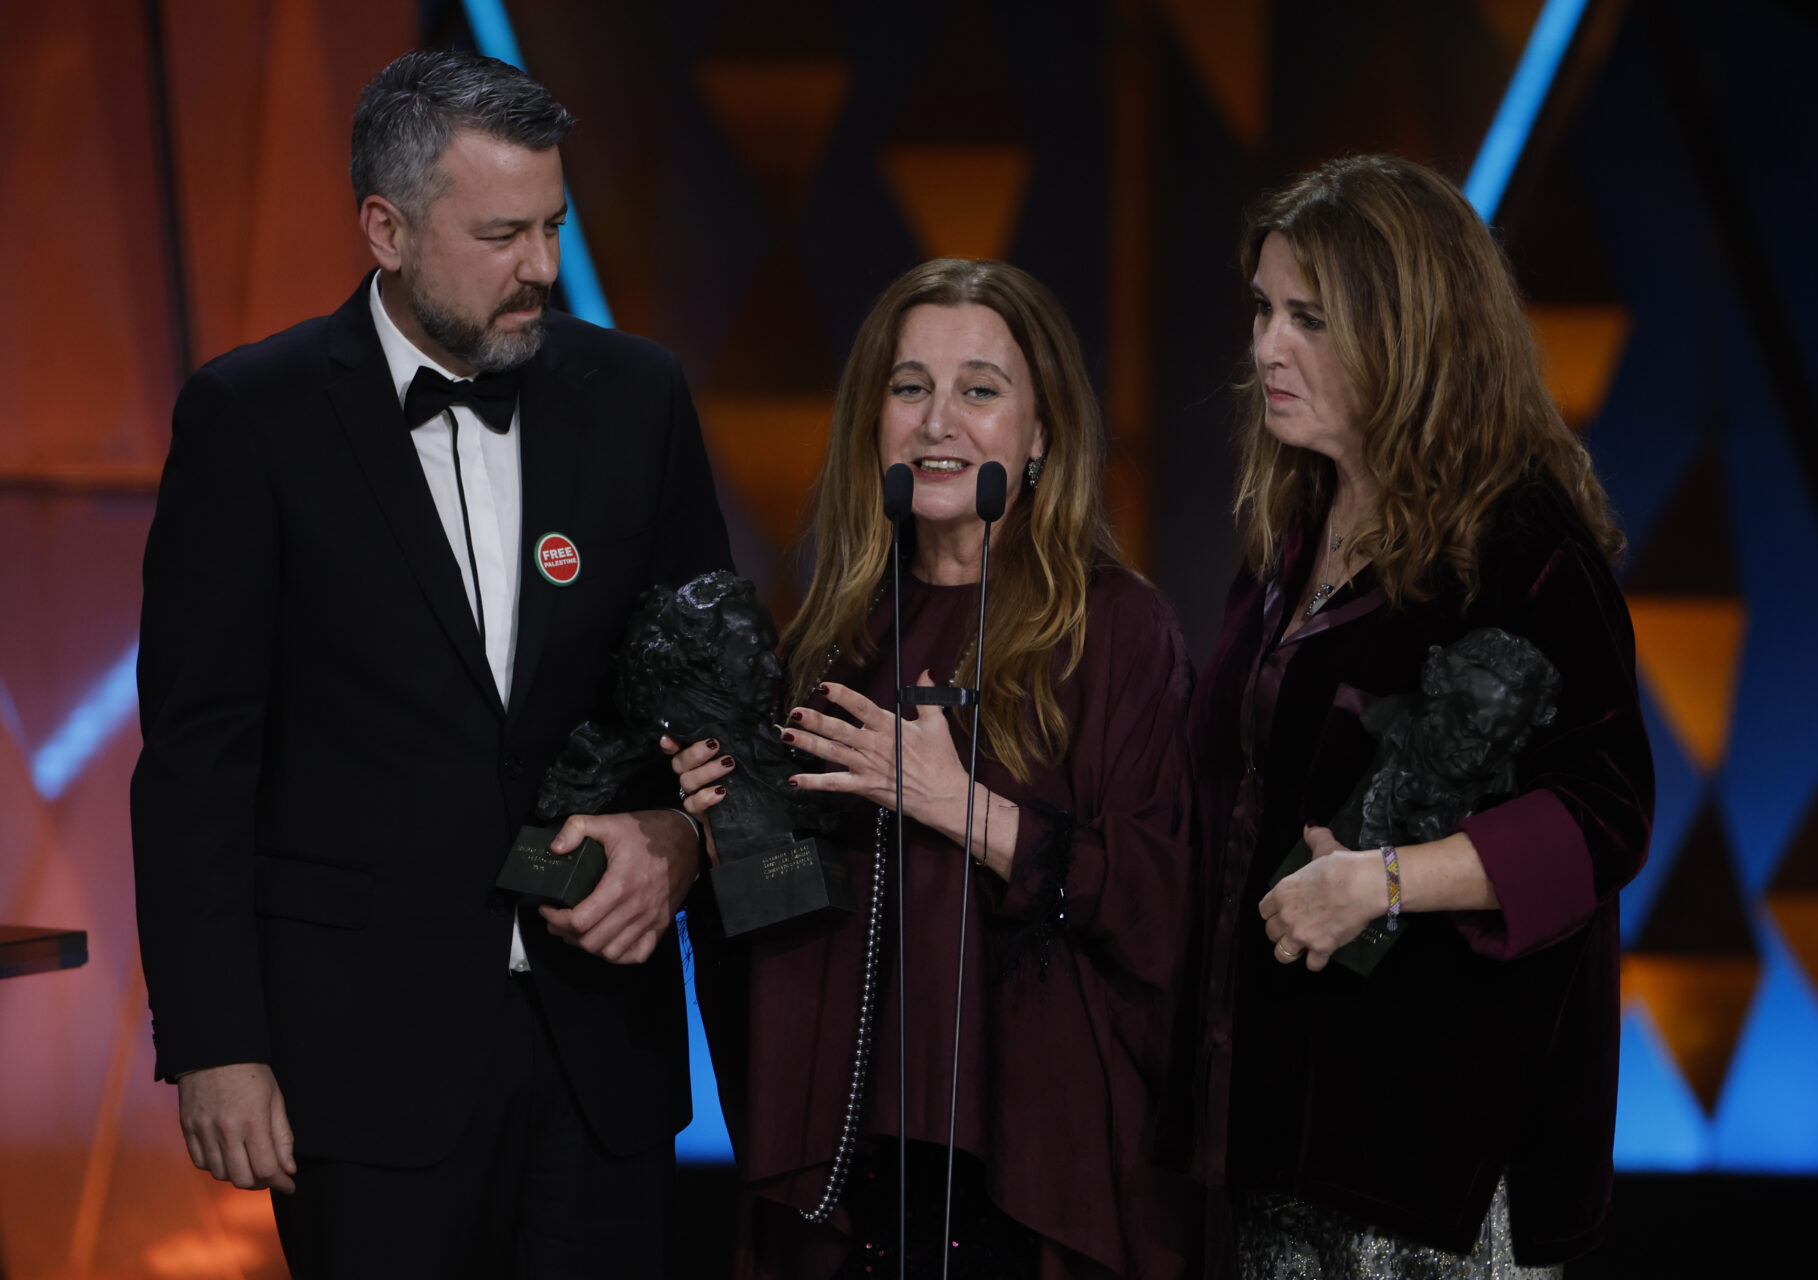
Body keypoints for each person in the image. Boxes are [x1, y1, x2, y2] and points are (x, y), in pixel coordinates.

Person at [129, 50, 730, 1277]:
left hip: (599, 1052)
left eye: (555, 225)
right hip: (359, 1064)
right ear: (386, 228)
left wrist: (676, 841)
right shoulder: (251, 418)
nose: (544, 269)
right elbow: (197, 756)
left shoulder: (639, 396)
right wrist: (213, 1040)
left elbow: (710, 692)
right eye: (503, 233)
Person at [1174, 156, 1655, 1277]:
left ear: (1410, 329)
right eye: (1261, 310)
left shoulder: (1524, 545)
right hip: (1278, 1137)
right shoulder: (1292, 536)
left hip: (1435, 1166)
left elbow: (1603, 814)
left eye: (1308, 318)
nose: (1264, 349)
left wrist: (1382, 880)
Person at [671, 259, 1196, 1278]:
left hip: (1038, 1186)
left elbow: (1162, 906)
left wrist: (965, 808)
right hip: (847, 1182)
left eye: (981, 389)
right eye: (910, 387)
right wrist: (722, 840)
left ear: (1041, 434)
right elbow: (776, 944)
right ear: (874, 420)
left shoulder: (1119, 631)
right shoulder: (827, 644)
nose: (938, 419)